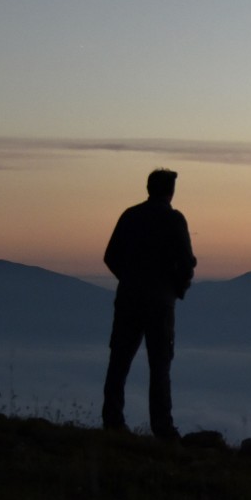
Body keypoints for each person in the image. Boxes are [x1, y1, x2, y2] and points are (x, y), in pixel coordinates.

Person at [101, 168, 197, 438]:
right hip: (160, 303)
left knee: (119, 360)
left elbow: (110, 256)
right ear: (171, 191)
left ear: (148, 188)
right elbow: (186, 261)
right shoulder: (173, 219)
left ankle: (112, 421)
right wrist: (177, 286)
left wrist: (129, 279)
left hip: (128, 298)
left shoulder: (130, 216)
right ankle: (162, 427)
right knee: (160, 365)